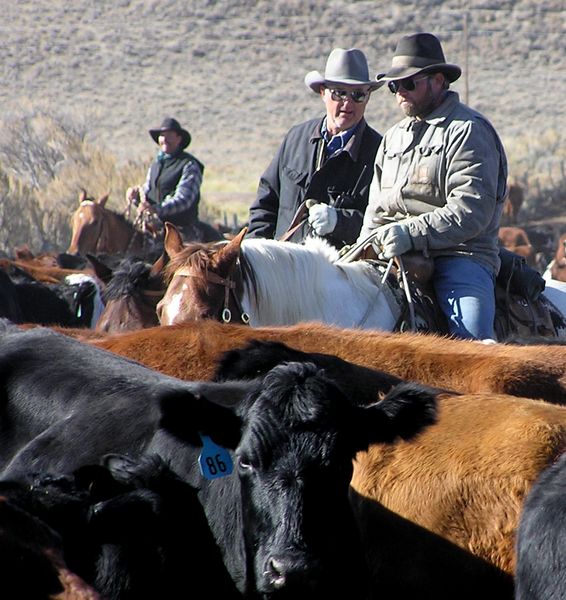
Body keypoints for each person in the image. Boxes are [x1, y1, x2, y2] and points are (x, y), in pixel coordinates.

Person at [358, 33, 508, 340]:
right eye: (393, 85)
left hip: (459, 256)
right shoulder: (392, 138)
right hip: (388, 253)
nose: (400, 91)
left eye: (409, 83)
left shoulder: (468, 131)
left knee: (472, 345)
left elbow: (471, 211)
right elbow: (374, 209)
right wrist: (362, 247)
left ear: (438, 81)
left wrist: (408, 233)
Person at [245, 47, 383, 248]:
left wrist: (339, 222)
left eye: (358, 95)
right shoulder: (296, 138)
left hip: (337, 273)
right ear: (323, 93)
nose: (348, 102)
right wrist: (254, 253)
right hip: (281, 266)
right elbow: (266, 203)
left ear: (368, 96)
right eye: (339, 93)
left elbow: (381, 222)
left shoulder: (379, 152)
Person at [126, 117, 223, 242]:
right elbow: (148, 193)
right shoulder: (156, 165)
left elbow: (184, 200)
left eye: (169, 135)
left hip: (183, 230)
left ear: (179, 139)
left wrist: (156, 209)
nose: (165, 139)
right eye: (162, 135)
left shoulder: (189, 165)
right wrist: (136, 198)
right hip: (156, 228)